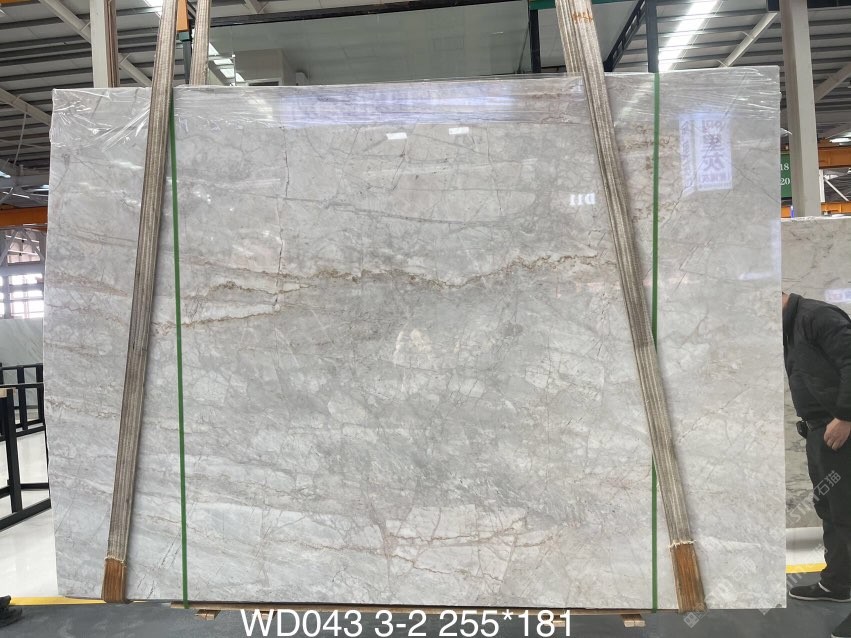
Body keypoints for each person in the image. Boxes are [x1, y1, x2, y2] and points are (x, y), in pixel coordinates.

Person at [783, 292, 851, 638]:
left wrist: (845, 416)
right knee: (831, 511)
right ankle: (838, 583)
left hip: (840, 430)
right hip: (819, 432)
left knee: (848, 515)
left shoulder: (817, 316)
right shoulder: (791, 326)